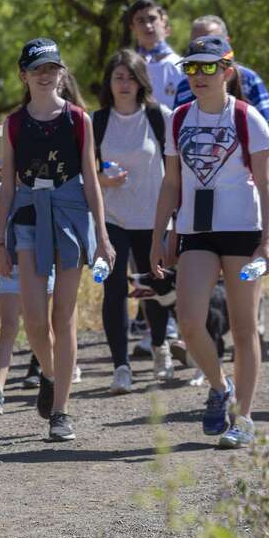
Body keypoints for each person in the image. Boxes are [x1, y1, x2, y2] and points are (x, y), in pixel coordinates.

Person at [150, 35, 269, 449]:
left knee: (244, 328)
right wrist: (160, 236)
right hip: (195, 232)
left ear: (227, 71)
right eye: (191, 67)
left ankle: (244, 417)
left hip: (243, 231)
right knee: (188, 319)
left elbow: (267, 184)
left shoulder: (248, 117)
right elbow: (171, 182)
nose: (199, 75)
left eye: (208, 67)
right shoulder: (177, 118)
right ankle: (219, 387)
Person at [0, 38, 114, 442]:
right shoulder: (12, 125)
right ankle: (48, 372)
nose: (45, 75)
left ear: (61, 72)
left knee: (63, 317)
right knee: (34, 318)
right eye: (37, 68)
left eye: (52, 68)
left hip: (69, 217)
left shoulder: (79, 119)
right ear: (23, 75)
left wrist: (102, 235)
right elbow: (6, 186)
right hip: (28, 217)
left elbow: (92, 179)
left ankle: (60, 410)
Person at [93, 49, 175, 393]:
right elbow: (86, 173)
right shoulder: (96, 121)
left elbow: (175, 169)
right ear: (109, 83)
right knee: (113, 289)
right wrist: (102, 179)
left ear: (142, 81)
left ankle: (159, 346)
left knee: (154, 287)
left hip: (152, 216)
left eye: (130, 77)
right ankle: (121, 367)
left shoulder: (160, 117)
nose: (124, 84)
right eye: (118, 77)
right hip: (111, 218)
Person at [127, 0, 186, 110]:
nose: (148, 26)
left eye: (152, 19)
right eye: (141, 21)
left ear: (163, 22)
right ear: (132, 28)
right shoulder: (127, 67)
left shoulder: (182, 66)